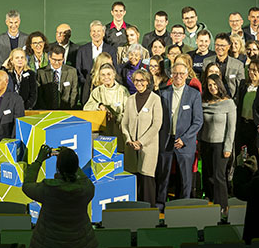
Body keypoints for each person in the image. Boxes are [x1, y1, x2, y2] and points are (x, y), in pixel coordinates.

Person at [22, 145, 103, 248]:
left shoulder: (48, 189)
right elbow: (84, 179)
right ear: (76, 166)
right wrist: (71, 162)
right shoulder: (86, 189)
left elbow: (27, 185)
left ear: (58, 167)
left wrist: (39, 160)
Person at [155, 60, 204, 206]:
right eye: (175, 73)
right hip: (166, 140)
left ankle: (184, 207)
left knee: (186, 179)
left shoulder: (194, 94)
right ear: (171, 74)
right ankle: (160, 206)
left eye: (181, 73)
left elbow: (198, 121)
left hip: (185, 143)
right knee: (163, 177)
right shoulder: (163, 93)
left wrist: (185, 139)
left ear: (187, 75)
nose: (178, 76)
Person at [121, 69, 162, 207]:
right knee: (133, 179)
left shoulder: (155, 99)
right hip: (131, 147)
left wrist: (141, 142)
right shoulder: (130, 100)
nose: (139, 83)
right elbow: (124, 123)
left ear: (147, 81)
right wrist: (128, 139)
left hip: (148, 147)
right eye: (136, 80)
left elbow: (156, 124)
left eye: (142, 80)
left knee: (146, 179)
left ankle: (149, 212)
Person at [200, 74, 236, 215]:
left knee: (219, 176)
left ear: (219, 85)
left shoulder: (228, 103)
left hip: (220, 145)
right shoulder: (204, 102)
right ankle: (211, 203)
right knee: (208, 175)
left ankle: (223, 205)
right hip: (205, 143)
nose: (212, 87)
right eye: (209, 85)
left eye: (215, 84)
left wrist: (228, 147)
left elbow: (231, 128)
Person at [35, 44, 80, 111]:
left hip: (67, 110)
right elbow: (39, 95)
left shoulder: (71, 72)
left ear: (63, 59)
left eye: (59, 60)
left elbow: (74, 92)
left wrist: (70, 109)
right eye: (54, 59)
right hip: (46, 110)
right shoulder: (41, 72)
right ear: (49, 58)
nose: (56, 63)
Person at [235, 61, 259, 158]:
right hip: (243, 125)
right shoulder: (244, 85)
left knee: (253, 154)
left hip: (255, 127)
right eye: (250, 70)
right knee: (243, 153)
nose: (251, 72)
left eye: (254, 70)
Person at [74, 21, 118, 87]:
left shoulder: (111, 50)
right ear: (90, 33)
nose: (96, 33)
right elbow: (78, 70)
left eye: (98, 31)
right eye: (93, 31)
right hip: (87, 86)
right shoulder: (82, 50)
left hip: (106, 87)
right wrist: (86, 83)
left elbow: (114, 69)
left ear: (103, 33)